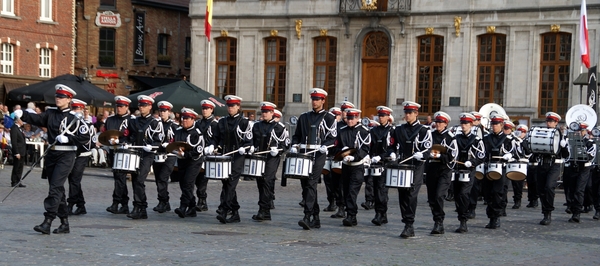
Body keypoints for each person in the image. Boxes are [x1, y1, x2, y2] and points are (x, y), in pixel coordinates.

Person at [15, 84, 91, 234]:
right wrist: (22, 114)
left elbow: (86, 138)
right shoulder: (50, 114)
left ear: (69, 99)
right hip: (52, 155)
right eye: (57, 96)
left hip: (66, 155)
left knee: (55, 187)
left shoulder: (74, 118)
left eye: (61, 97)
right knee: (58, 190)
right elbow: (36, 118)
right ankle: (64, 223)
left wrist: (68, 139)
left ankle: (47, 221)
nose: (58, 99)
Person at [290, 88, 337, 230]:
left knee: (311, 182)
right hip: (304, 153)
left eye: (317, 99)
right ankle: (316, 217)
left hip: (319, 153)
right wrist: (294, 144)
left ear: (323, 101)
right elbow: (297, 135)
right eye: (313, 99)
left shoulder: (329, 117)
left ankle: (307, 215)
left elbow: (333, 137)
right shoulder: (304, 117)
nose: (315, 102)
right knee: (306, 185)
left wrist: (326, 146)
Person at [387, 101, 432, 238]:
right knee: (403, 194)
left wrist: (422, 154)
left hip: (416, 166)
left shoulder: (424, 131)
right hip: (403, 165)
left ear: (416, 114)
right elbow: (391, 145)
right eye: (406, 112)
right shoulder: (398, 130)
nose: (407, 115)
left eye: (410, 113)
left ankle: (409, 224)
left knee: (412, 194)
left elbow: (428, 149)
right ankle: (406, 219)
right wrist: (392, 153)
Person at [211, 95, 252, 224]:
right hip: (225, 156)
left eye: (233, 106)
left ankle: (224, 209)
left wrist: (245, 147)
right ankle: (235, 213)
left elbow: (249, 141)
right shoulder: (222, 122)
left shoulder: (244, 122)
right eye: (229, 106)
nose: (230, 108)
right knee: (226, 183)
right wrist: (212, 145)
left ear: (238, 107)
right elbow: (216, 137)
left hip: (237, 156)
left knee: (231, 183)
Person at [249, 102, 288, 221]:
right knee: (260, 181)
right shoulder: (256, 126)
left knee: (267, 180)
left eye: (266, 112)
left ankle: (263, 209)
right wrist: (251, 147)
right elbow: (253, 140)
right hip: (259, 157)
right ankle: (265, 210)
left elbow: (286, 144)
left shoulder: (279, 127)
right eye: (263, 112)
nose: (264, 114)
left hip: (272, 157)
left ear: (272, 113)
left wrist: (279, 150)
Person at [332, 108, 370, 226]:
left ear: (357, 118)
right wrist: (341, 152)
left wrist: (355, 157)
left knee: (352, 192)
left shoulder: (364, 131)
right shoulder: (342, 131)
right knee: (346, 190)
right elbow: (336, 147)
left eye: (352, 118)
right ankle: (349, 214)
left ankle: (351, 215)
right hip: (346, 166)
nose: (350, 121)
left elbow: (365, 148)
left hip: (357, 166)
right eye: (348, 118)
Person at [533, 112, 569, 225]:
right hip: (542, 164)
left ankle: (548, 213)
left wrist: (563, 147)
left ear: (556, 123)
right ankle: (545, 211)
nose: (549, 123)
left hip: (554, 165)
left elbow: (566, 155)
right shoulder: (541, 133)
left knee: (549, 187)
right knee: (540, 189)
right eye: (548, 121)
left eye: (551, 121)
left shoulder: (561, 135)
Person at [124, 95, 157, 219]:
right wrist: (126, 142)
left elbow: (158, 139)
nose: (141, 108)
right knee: (135, 180)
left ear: (150, 107)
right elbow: (128, 135)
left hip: (147, 154)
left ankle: (139, 206)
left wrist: (152, 146)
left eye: (144, 105)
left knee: (139, 180)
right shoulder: (134, 121)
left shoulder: (154, 122)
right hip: (135, 153)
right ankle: (141, 208)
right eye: (140, 105)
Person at [452, 113, 486, 233]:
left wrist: (472, 162)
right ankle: (461, 218)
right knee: (456, 195)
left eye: (466, 123)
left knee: (463, 194)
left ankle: (464, 221)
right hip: (457, 170)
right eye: (462, 123)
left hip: (469, 171)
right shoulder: (456, 138)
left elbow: (481, 156)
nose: (463, 125)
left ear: (471, 124)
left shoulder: (476, 140)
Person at [481, 114, 516, 229]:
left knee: (497, 193)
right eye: (493, 124)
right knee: (488, 193)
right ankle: (490, 216)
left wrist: (510, 155)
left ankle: (495, 218)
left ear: (501, 125)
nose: (494, 126)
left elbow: (516, 152)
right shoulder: (486, 138)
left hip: (501, 168)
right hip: (488, 168)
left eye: (496, 124)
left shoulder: (508, 139)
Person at [424, 111, 457, 234]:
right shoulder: (430, 135)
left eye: (440, 122)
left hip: (444, 170)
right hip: (431, 169)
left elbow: (452, 156)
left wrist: (438, 156)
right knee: (432, 198)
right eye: (436, 122)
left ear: (445, 124)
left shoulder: (450, 138)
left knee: (439, 195)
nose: (437, 124)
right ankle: (436, 220)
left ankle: (439, 222)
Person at [105, 96, 136, 215]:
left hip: (124, 150)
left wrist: (124, 141)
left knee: (120, 177)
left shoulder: (131, 120)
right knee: (118, 177)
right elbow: (106, 134)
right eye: (118, 106)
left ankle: (116, 202)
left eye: (122, 106)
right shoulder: (110, 120)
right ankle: (124, 204)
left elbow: (133, 136)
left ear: (127, 107)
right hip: (113, 150)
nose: (119, 108)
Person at [173, 108, 205, 218]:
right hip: (181, 161)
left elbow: (198, 150)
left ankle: (183, 206)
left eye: (187, 118)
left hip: (194, 161)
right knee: (183, 184)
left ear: (193, 119)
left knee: (188, 183)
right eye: (183, 118)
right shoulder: (178, 131)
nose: (184, 120)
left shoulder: (197, 133)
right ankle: (192, 207)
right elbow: (174, 144)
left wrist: (185, 154)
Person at [66, 99, 95, 216]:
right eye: (73, 108)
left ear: (82, 111)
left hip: (82, 154)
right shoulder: (69, 122)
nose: (75, 111)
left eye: (78, 109)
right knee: (73, 180)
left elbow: (89, 142)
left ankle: (71, 204)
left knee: (74, 180)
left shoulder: (85, 125)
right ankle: (81, 205)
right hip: (71, 154)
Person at [563, 122, 595, 223]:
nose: (579, 132)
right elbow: (565, 155)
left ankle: (577, 213)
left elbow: (590, 156)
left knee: (579, 190)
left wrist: (582, 150)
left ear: (585, 132)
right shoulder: (570, 141)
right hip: (572, 167)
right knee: (571, 190)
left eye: (581, 131)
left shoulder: (589, 143)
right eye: (577, 130)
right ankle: (572, 209)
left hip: (584, 168)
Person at [149, 101, 177, 213]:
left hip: (169, 155)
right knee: (158, 179)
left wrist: (169, 145)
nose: (162, 113)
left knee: (162, 178)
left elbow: (177, 140)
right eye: (161, 111)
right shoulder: (155, 124)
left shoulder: (174, 126)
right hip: (157, 154)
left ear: (169, 112)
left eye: (164, 111)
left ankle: (164, 201)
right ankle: (163, 201)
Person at [369, 106, 395, 226]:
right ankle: (380, 214)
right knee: (376, 188)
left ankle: (380, 213)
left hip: (385, 162)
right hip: (375, 162)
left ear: (388, 117)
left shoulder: (392, 131)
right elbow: (371, 145)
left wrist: (382, 156)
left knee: (382, 189)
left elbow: (392, 148)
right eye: (379, 115)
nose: (380, 118)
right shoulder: (374, 130)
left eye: (383, 116)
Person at [329, 101, 355, 219]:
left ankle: (347, 208)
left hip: (351, 160)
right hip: (338, 157)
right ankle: (339, 206)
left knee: (347, 185)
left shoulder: (354, 126)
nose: (345, 113)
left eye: (347, 111)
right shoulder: (337, 125)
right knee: (335, 184)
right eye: (343, 111)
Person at [195, 100, 219, 212]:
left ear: (211, 110)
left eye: (207, 109)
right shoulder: (198, 123)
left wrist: (212, 146)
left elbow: (216, 138)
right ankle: (200, 199)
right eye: (203, 109)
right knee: (196, 178)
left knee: (203, 178)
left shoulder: (214, 124)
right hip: (198, 153)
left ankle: (202, 201)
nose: (204, 111)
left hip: (208, 154)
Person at [323, 107, 342, 212]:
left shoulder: (342, 128)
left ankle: (340, 205)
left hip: (337, 158)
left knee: (338, 183)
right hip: (327, 156)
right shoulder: (327, 127)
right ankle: (331, 202)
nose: (335, 118)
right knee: (328, 181)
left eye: (336, 116)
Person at [10, 118, 26, 187]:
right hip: (18, 151)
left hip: (22, 150)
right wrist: (16, 152)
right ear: (18, 121)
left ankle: (18, 180)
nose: (23, 122)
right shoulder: (14, 128)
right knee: (16, 167)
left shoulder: (20, 128)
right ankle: (14, 181)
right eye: (22, 120)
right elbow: (14, 141)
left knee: (20, 167)